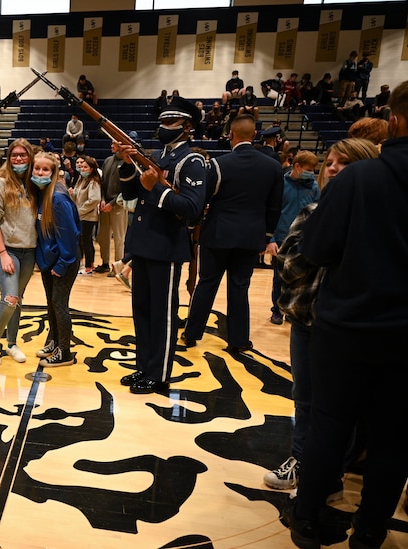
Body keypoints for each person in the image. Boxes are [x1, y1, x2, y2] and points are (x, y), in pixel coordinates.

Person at [284, 80, 408, 549]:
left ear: (393, 120)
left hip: (349, 325)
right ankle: (372, 530)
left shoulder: (359, 179)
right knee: (394, 439)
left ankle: (307, 519)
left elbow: (316, 248)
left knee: (329, 424)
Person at [265, 138, 379, 496]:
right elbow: (289, 264)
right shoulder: (314, 210)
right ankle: (301, 459)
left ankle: (331, 473)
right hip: (305, 318)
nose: (332, 168)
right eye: (329, 162)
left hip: (348, 324)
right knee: (305, 396)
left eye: (342, 163)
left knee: (343, 404)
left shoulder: (375, 217)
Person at [117, 97, 207, 394]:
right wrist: (126, 162)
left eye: (171, 122)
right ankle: (144, 366)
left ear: (188, 127)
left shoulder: (191, 161)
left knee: (163, 314)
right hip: (144, 245)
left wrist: (155, 186)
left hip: (166, 248)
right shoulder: (157, 156)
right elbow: (131, 191)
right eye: (163, 121)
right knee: (141, 310)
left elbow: (192, 207)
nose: (164, 127)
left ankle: (159, 373)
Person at [181, 115, 283, 352]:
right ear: (254, 135)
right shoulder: (273, 166)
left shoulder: (218, 164)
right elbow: (274, 206)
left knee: (207, 283)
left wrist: (192, 225)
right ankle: (239, 340)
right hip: (251, 236)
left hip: (218, 233)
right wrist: (266, 237)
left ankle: (192, 332)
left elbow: (202, 199)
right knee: (239, 287)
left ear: (232, 135)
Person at [0, 138, 37, 367]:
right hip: (8, 250)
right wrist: (2, 253)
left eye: (24, 155)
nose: (19, 159)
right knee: (10, 297)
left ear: (30, 157)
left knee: (19, 300)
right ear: (8, 157)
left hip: (29, 250)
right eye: (15, 155)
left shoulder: (34, 184)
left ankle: (12, 343)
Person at [32, 151, 81, 367]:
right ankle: (54, 341)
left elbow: (69, 236)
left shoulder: (58, 198)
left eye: (45, 169)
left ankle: (65, 352)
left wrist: (62, 264)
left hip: (63, 262)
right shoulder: (42, 193)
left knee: (60, 305)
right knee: (51, 303)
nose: (40, 172)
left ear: (53, 173)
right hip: (49, 260)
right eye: (37, 168)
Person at [266, 150, 319, 325]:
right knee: (279, 278)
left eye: (313, 169)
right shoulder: (280, 184)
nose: (311, 172)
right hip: (282, 237)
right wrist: (271, 239)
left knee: (302, 277)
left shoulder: (313, 186)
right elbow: (272, 213)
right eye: (308, 169)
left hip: (306, 238)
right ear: (297, 166)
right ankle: (277, 310)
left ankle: (293, 310)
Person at [97, 141, 128, 276]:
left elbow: (126, 189)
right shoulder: (108, 160)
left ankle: (118, 267)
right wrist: (103, 199)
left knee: (119, 237)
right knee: (102, 235)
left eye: (114, 144)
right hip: (105, 204)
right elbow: (102, 183)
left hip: (119, 205)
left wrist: (112, 203)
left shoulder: (127, 163)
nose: (111, 146)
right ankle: (104, 263)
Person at [71, 155, 101, 275]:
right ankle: (84, 263)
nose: (82, 169)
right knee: (81, 240)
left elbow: (94, 199)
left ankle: (89, 266)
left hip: (88, 216)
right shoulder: (81, 180)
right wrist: (72, 194)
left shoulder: (93, 182)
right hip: (80, 216)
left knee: (86, 241)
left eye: (85, 167)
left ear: (92, 168)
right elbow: (78, 196)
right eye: (81, 167)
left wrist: (80, 211)